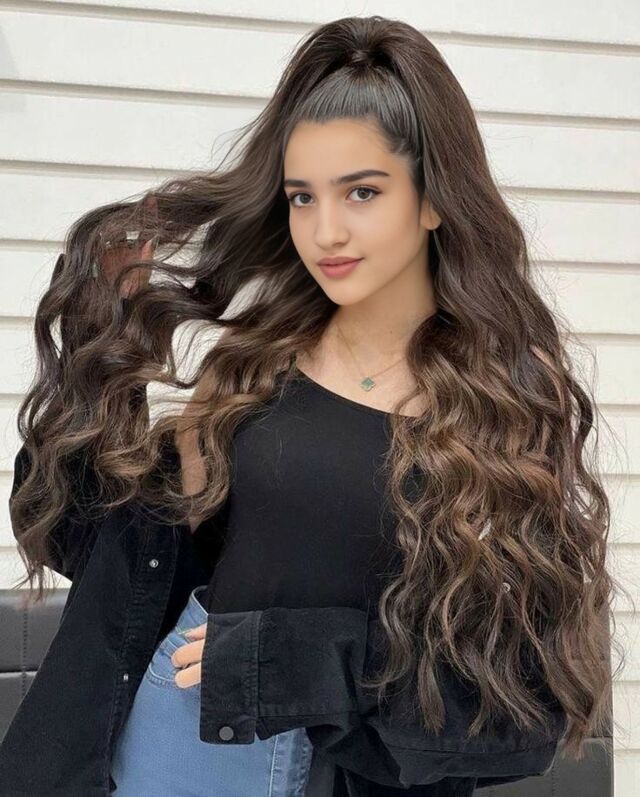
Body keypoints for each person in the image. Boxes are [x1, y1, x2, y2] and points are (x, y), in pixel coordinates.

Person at [0, 14, 617, 797]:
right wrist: (102, 347)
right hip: (181, 751)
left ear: (433, 199)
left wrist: (302, 666)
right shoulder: (254, 367)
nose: (325, 231)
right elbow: (78, 540)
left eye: (362, 191)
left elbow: (525, 716)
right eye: (301, 197)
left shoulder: (506, 403)